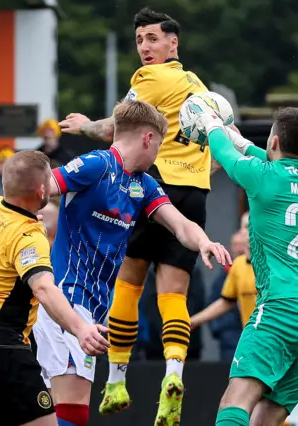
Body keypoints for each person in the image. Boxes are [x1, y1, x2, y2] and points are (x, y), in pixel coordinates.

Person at [59, 9, 218, 423]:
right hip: (195, 194)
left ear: (173, 44)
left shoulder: (147, 79)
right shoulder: (200, 89)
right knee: (173, 295)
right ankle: (174, 373)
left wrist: (84, 125)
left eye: (152, 38)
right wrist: (198, 174)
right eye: (140, 40)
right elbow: (216, 148)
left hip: (153, 187)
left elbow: (120, 128)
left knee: (128, 283)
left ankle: (115, 381)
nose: (145, 47)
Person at [34, 100, 230, 426]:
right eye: (160, 145)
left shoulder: (143, 183)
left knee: (60, 411)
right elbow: (45, 185)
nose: (158, 156)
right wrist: (27, 216)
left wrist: (205, 242)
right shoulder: (96, 164)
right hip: (68, 298)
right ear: (148, 139)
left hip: (93, 306)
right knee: (71, 409)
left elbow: (180, 225)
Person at [188, 105, 298, 425]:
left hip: (282, 307)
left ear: (274, 142)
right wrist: (241, 143)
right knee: (267, 417)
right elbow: (269, 158)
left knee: (235, 400)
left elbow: (222, 153)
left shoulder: (262, 177)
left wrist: (210, 123)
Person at [0, 150, 110, 426]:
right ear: (41, 188)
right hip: (0, 347)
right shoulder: (28, 235)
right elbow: (44, 289)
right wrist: (82, 328)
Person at [190, 225, 256, 332]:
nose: (248, 230)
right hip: (250, 337)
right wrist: (193, 321)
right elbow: (227, 301)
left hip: (275, 336)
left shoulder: (274, 264)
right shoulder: (238, 265)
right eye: (245, 226)